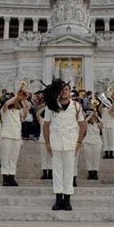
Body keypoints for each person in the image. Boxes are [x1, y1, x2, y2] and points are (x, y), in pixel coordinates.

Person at [43, 79, 86, 211]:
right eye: (61, 90)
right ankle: (58, 199)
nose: (64, 92)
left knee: (69, 171)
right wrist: (47, 143)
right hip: (56, 142)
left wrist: (79, 142)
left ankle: (67, 199)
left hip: (71, 142)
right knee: (57, 171)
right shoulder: (51, 106)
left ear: (70, 91)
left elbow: (82, 124)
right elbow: (46, 125)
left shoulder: (77, 106)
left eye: (66, 89)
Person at [0, 92, 30, 186]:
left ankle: (11, 176)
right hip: (7, 136)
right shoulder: (3, 110)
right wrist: (17, 96)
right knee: (6, 157)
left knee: (14, 158)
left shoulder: (18, 112)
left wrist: (24, 98)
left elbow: (27, 108)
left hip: (16, 136)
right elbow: (6, 104)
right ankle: (5, 177)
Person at [83, 110, 102, 180]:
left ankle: (95, 173)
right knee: (89, 158)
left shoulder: (98, 125)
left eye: (93, 118)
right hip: (88, 142)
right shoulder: (87, 125)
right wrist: (90, 115)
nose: (92, 119)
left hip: (97, 142)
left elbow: (103, 123)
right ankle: (90, 173)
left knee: (96, 158)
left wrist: (97, 116)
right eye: (91, 118)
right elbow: (85, 121)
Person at [37, 107, 52, 180]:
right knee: (44, 157)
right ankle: (45, 173)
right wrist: (45, 107)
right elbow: (37, 114)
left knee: (51, 157)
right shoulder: (42, 120)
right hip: (43, 140)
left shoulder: (53, 121)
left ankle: (50, 173)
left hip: (51, 141)